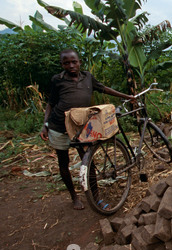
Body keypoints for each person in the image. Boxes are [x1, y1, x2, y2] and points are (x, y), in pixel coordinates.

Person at [40, 49, 135, 210]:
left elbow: (104, 88)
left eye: (74, 62)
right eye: (66, 63)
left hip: (82, 126)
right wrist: (45, 124)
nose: (71, 65)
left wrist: (127, 97)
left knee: (88, 161)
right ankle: (74, 197)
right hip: (58, 126)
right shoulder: (58, 80)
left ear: (79, 62)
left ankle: (96, 197)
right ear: (62, 64)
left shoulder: (88, 77)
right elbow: (51, 103)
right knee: (63, 163)